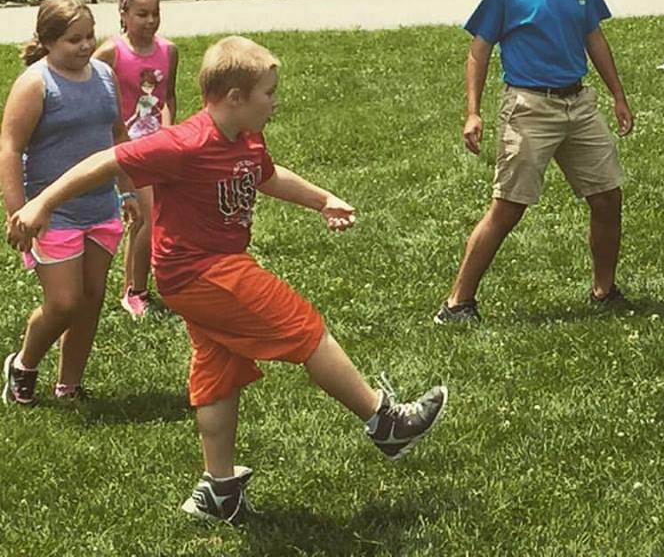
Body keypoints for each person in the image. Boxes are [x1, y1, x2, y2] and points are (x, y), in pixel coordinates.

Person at [7, 35, 448, 524]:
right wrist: (40, 203)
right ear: (235, 97)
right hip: (200, 271)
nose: (276, 102)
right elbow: (106, 162)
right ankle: (384, 421)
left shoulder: (246, 138)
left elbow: (268, 175)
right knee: (305, 327)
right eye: (269, 93)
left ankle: (218, 490)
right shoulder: (185, 142)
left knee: (217, 373)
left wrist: (322, 199)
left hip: (211, 269)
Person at [434, 0, 634, 324]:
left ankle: (604, 290)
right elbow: (479, 50)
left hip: (578, 103)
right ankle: (457, 303)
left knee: (607, 197)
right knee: (508, 206)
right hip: (529, 105)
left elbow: (594, 38)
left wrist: (617, 95)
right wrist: (473, 111)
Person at [0, 0, 140, 404]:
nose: (84, 47)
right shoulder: (36, 84)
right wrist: (19, 212)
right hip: (52, 212)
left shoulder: (103, 76)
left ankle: (70, 384)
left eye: (89, 37)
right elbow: (9, 148)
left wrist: (128, 188)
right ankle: (23, 365)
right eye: (73, 40)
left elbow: (117, 137)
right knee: (64, 302)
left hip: (100, 207)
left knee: (91, 299)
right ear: (47, 41)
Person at [93, 0, 179, 318]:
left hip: (159, 144)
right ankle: (136, 291)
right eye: (142, 14)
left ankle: (136, 281)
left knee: (148, 215)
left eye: (156, 13)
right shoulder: (110, 53)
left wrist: (169, 132)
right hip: (126, 146)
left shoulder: (169, 51)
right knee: (148, 210)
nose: (150, 21)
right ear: (124, 16)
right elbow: (84, 80)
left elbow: (167, 96)